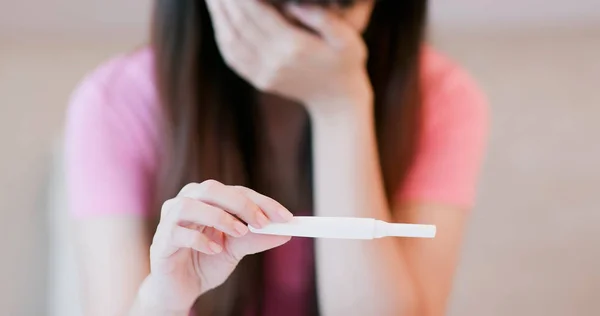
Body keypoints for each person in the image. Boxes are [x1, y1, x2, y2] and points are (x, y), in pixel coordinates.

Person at [65, 0, 488, 315]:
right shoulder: (115, 102)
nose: (304, 25)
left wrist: (340, 106)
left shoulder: (440, 97)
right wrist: (164, 298)